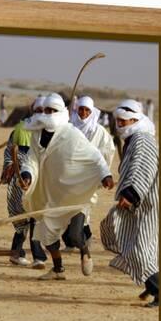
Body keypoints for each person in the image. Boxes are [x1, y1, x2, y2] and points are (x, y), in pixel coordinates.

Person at [20, 93, 114, 280]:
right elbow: (30, 159)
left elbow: (94, 156)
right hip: (50, 194)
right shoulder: (36, 135)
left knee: (75, 236)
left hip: (74, 193)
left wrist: (105, 175)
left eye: (52, 110)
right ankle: (57, 269)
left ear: (60, 112)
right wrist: (27, 175)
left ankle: (85, 251)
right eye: (45, 110)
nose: (47, 114)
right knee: (48, 236)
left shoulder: (72, 133)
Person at [100, 99, 159, 307]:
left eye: (124, 121)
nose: (120, 124)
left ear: (135, 119)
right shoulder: (133, 139)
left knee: (140, 250)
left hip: (146, 202)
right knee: (118, 232)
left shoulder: (142, 139)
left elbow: (143, 169)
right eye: (118, 121)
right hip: (138, 203)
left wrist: (131, 194)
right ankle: (154, 286)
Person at [62, 96, 116, 252]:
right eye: (81, 109)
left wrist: (101, 173)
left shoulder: (99, 132)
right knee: (64, 210)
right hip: (68, 176)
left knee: (83, 209)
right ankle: (72, 241)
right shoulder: (69, 126)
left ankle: (82, 239)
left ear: (92, 111)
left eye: (87, 110)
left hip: (89, 177)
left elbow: (108, 152)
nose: (83, 113)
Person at [2, 96, 47, 268]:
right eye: (38, 111)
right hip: (21, 180)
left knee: (37, 217)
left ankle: (24, 253)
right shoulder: (21, 129)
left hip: (42, 181)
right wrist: (11, 165)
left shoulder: (54, 131)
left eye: (45, 111)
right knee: (24, 217)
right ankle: (33, 256)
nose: (41, 114)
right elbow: (10, 151)